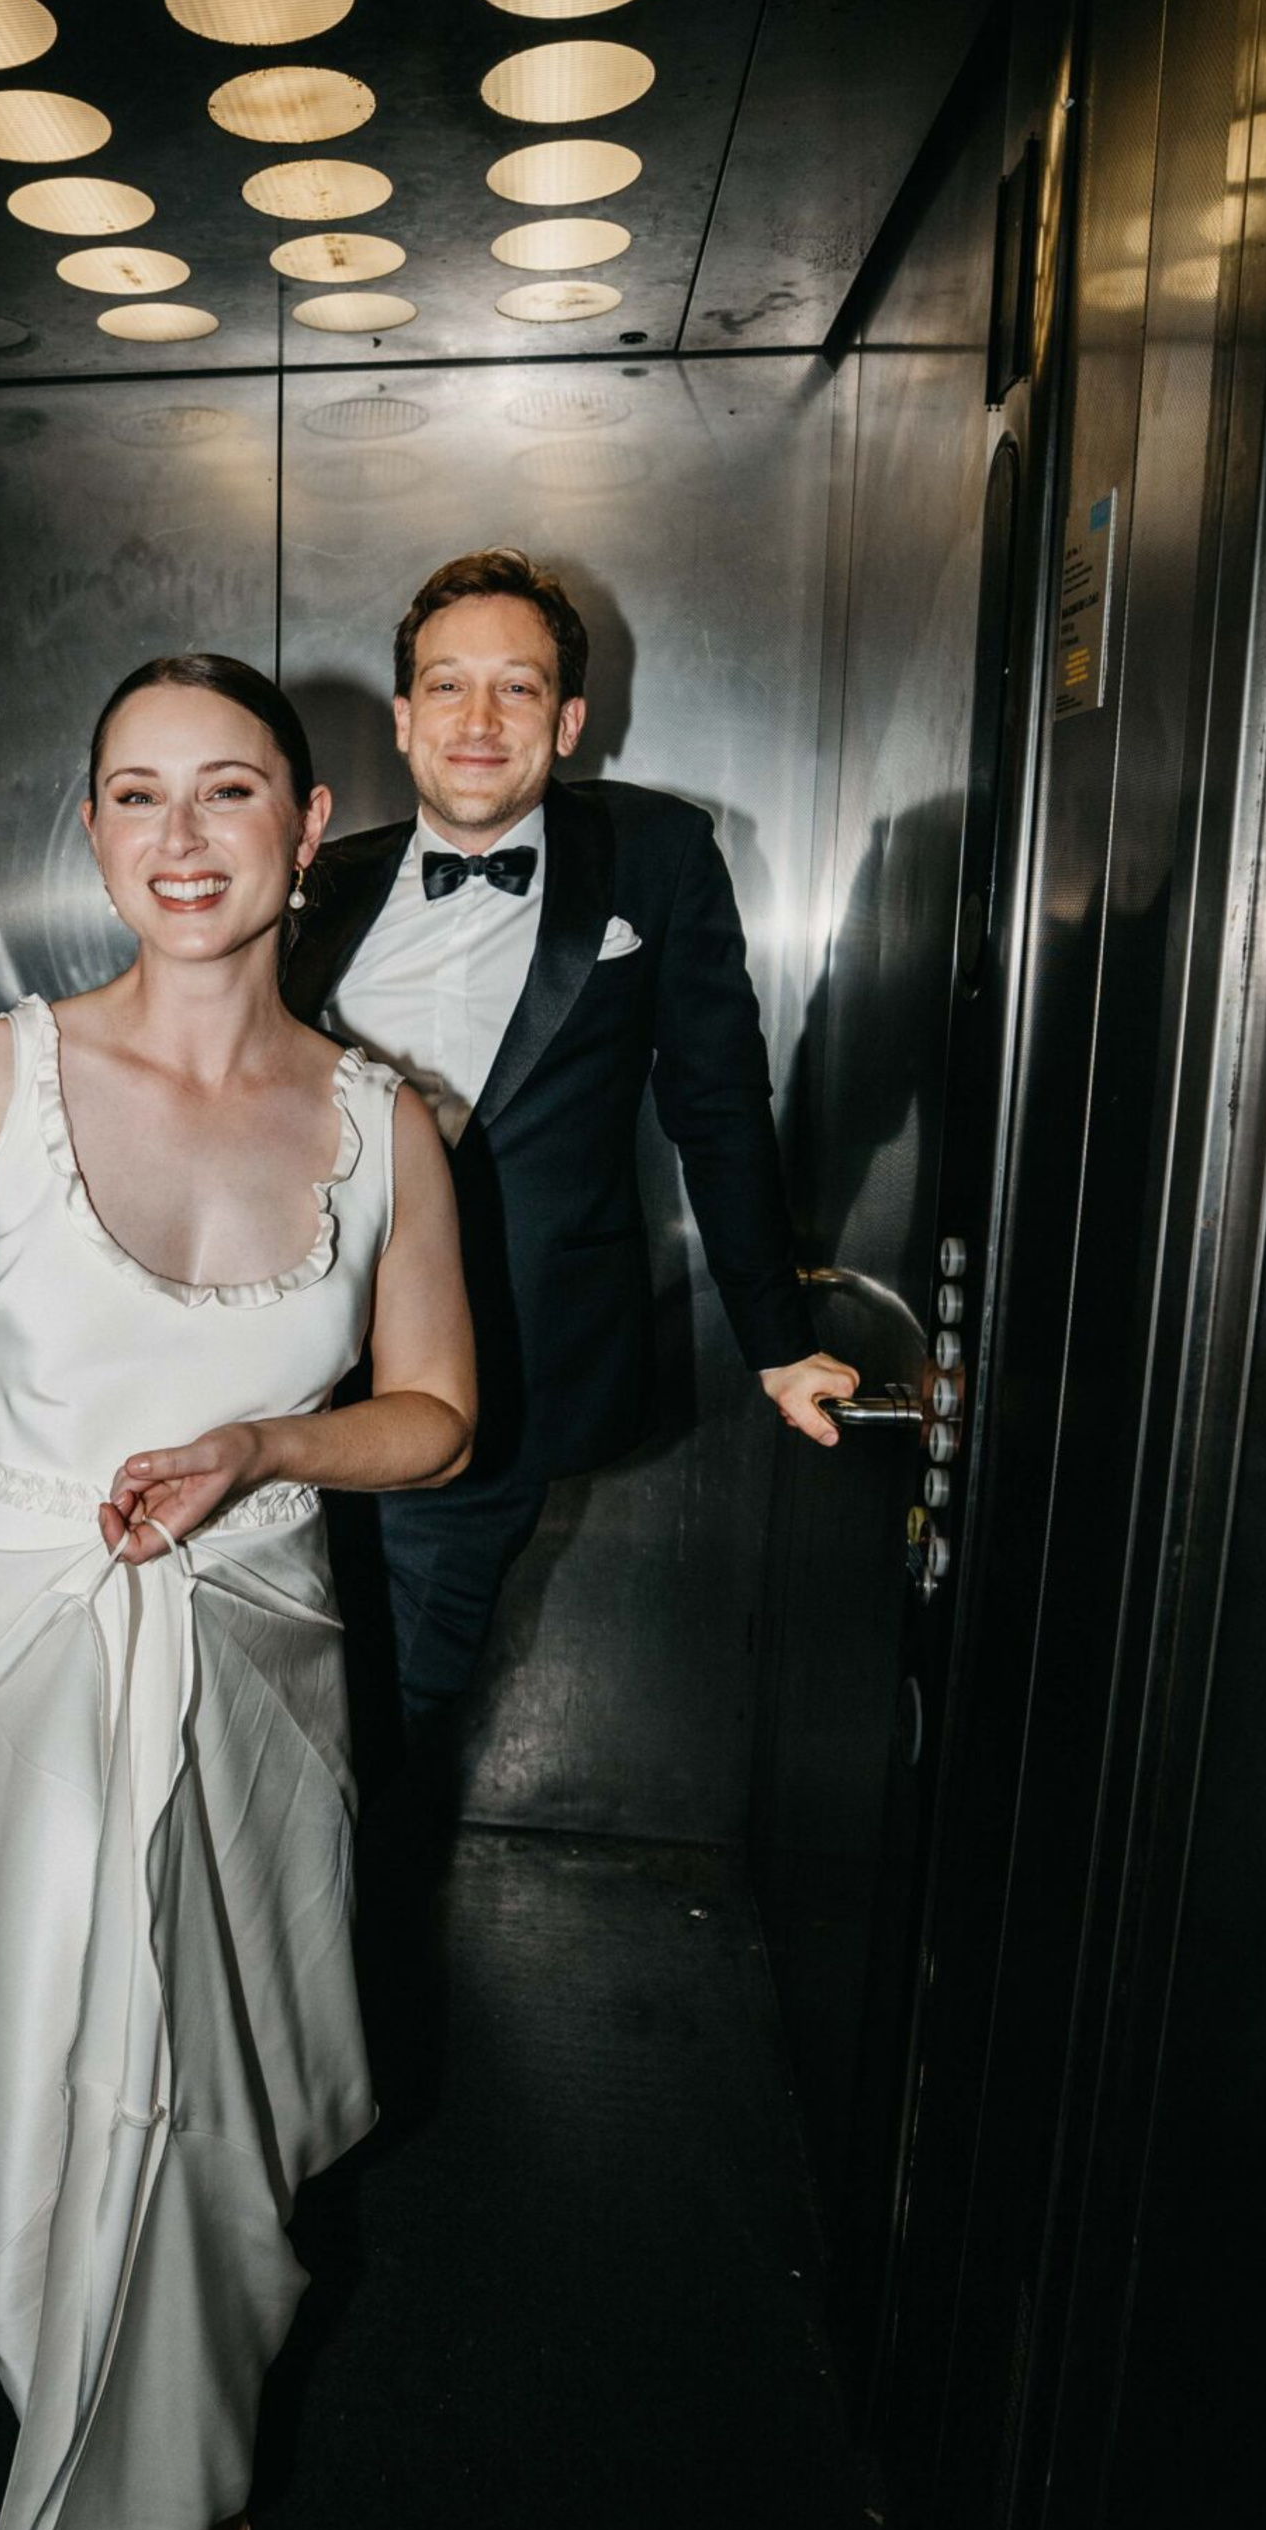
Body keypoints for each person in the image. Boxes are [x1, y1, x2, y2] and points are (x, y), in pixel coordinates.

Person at [0, 652, 473, 2530]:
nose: (180, 839)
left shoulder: (384, 1124)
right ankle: (90, 2464)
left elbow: (437, 1413)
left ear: (309, 822)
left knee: (214, 2103)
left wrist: (269, 1443)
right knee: (35, 2079)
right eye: (136, 795)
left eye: (229, 792)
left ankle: (175, 2494)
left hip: (258, 1654)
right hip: (7, 1650)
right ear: (94, 825)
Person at [285, 547, 854, 1732]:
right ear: (401, 718)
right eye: (446, 686)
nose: (479, 720)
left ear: (571, 716)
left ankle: (358, 1913)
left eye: (518, 687)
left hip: (501, 1375)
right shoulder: (319, 885)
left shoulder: (655, 856)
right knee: (274, 1701)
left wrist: (778, 1339)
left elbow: (717, 1102)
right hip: (284, 1371)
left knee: (403, 1710)